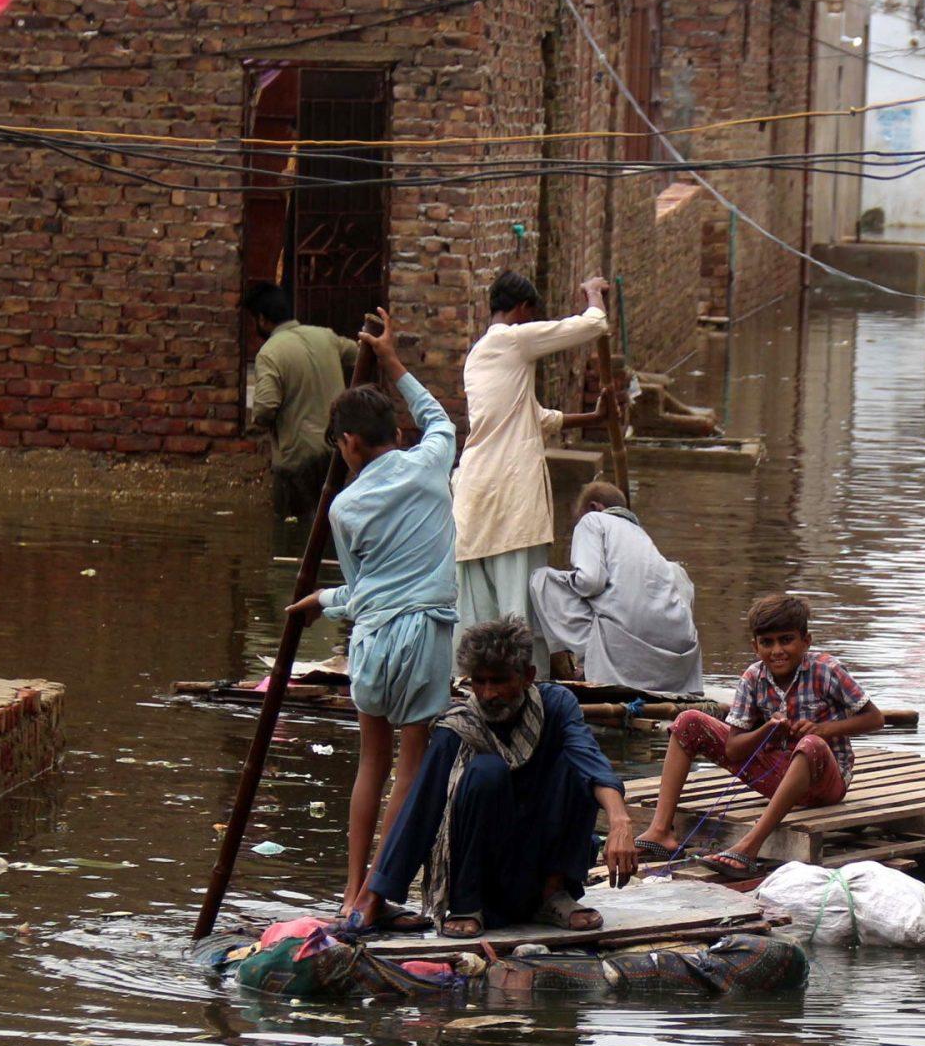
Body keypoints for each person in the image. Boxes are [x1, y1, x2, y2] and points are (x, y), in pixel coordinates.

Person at [283, 307, 457, 924]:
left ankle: (352, 889)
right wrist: (393, 363)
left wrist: (322, 601)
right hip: (423, 635)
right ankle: (375, 898)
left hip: (373, 642)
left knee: (370, 764)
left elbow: (360, 593)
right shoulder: (432, 460)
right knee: (409, 767)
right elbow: (440, 419)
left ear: (349, 445)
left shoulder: (345, 507)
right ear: (393, 433)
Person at [355, 617, 640, 940]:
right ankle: (468, 905)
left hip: (539, 869)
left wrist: (620, 822)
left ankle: (553, 895)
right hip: (484, 883)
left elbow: (591, 760)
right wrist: (374, 898)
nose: (488, 694)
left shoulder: (556, 707)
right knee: (486, 772)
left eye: (499, 681)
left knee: (573, 765)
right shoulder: (457, 728)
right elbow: (421, 810)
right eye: (480, 682)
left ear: (528, 676)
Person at [635, 592, 884, 878]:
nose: (777, 650)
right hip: (778, 776)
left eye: (786, 640)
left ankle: (749, 846)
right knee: (687, 720)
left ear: (806, 641)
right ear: (755, 646)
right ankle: (660, 830)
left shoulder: (827, 670)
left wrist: (822, 729)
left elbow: (874, 719)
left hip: (824, 784)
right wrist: (765, 730)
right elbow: (734, 749)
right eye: (767, 643)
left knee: (810, 743)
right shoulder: (753, 678)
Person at [452, 271, 611, 672]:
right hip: (508, 492)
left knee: (482, 603)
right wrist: (593, 294)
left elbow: (536, 417)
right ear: (522, 309)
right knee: (520, 597)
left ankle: (474, 678)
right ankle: (525, 683)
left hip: (477, 489)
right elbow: (592, 324)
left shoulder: (480, 355)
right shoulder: (511, 339)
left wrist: (592, 416)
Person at [528, 481, 705, 694]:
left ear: (595, 507)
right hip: (678, 664)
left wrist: (570, 580)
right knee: (675, 572)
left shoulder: (593, 521)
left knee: (542, 579)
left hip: (624, 652)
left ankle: (572, 665)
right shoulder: (643, 539)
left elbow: (590, 582)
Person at [243, 284, 360, 540]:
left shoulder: (270, 353)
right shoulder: (326, 337)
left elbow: (265, 408)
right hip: (336, 452)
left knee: (293, 534)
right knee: (330, 529)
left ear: (262, 319)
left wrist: (255, 426)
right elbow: (360, 352)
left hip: (297, 458)